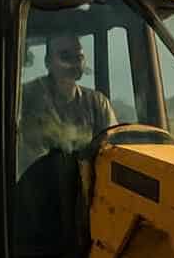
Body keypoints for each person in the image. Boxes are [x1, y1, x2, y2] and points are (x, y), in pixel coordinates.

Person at [17, 33, 118, 176]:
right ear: (48, 62)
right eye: (65, 57)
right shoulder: (25, 98)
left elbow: (113, 152)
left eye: (79, 57)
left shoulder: (98, 103)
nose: (74, 63)